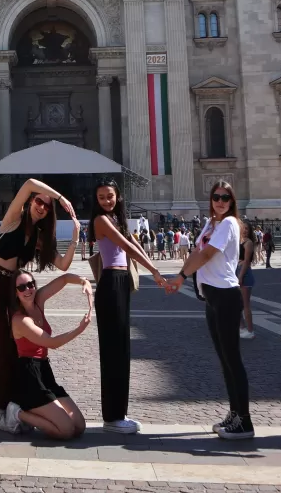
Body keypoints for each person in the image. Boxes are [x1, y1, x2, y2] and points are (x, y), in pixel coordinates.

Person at [0, 177, 79, 434]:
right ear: (31, 201)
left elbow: (63, 265)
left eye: (46, 206)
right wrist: (60, 198)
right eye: (39, 201)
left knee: (16, 349)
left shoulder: (39, 238)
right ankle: (0, 412)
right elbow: (30, 182)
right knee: (2, 348)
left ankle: (17, 406)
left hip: (12, 287)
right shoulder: (13, 219)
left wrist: (76, 235)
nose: (42, 206)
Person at [165, 181, 253, 439]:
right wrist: (182, 276)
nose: (221, 201)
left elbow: (207, 255)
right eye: (217, 196)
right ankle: (235, 413)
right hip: (212, 296)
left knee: (233, 359)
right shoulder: (211, 223)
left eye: (226, 197)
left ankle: (245, 420)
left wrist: (181, 276)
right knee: (225, 359)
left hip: (226, 295)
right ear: (211, 198)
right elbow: (196, 251)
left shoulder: (228, 224)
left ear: (232, 201)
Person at [88, 180, 165, 433]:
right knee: (113, 350)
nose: (106, 200)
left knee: (122, 348)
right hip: (110, 282)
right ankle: (112, 416)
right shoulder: (101, 220)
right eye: (101, 197)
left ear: (117, 196)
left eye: (109, 196)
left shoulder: (116, 218)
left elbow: (134, 243)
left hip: (120, 282)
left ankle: (119, 412)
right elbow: (127, 246)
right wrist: (154, 270)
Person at [7, 269, 90, 439]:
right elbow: (53, 343)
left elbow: (65, 278)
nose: (28, 290)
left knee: (79, 426)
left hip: (44, 370)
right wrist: (79, 329)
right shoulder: (20, 320)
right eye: (21, 287)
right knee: (66, 430)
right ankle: (18, 413)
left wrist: (83, 281)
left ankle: (41, 410)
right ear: (16, 293)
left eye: (30, 285)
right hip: (29, 376)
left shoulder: (38, 299)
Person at [237, 220, 256, 340]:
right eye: (243, 228)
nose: (244, 230)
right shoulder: (239, 241)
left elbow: (247, 261)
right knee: (237, 304)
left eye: (247, 229)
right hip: (236, 272)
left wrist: (240, 277)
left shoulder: (248, 243)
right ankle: (242, 327)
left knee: (245, 304)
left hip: (244, 274)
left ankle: (250, 330)